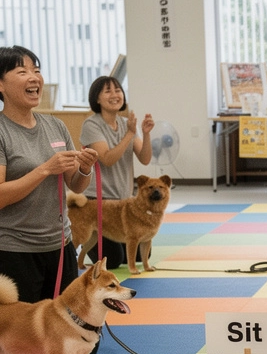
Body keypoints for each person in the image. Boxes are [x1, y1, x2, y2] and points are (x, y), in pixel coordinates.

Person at [0, 46, 99, 303]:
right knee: (23, 336)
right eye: (23, 71)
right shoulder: (2, 131)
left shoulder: (55, 126)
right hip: (14, 248)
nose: (34, 78)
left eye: (37, 70)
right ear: (1, 84)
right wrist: (45, 169)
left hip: (60, 244)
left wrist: (84, 168)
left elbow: (75, 185)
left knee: (66, 330)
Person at [79, 75, 154, 268]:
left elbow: (145, 159)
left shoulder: (125, 123)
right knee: (112, 261)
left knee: (139, 256)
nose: (115, 95)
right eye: (108, 91)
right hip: (99, 202)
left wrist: (145, 134)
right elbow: (107, 159)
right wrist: (130, 133)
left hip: (123, 202)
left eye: (118, 90)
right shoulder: (92, 125)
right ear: (97, 98)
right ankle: (84, 248)